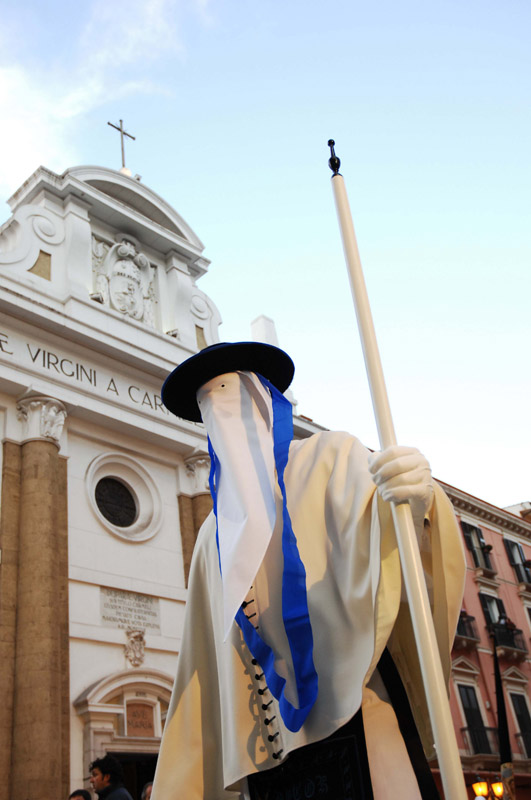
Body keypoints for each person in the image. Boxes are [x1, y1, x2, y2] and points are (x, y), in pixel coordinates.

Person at [152, 342, 466, 800]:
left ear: (267, 399)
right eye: (208, 406)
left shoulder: (332, 458)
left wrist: (416, 504)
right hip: (267, 752)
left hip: (360, 713)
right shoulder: (210, 535)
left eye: (232, 393)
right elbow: (200, 660)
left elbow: (389, 558)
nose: (221, 410)